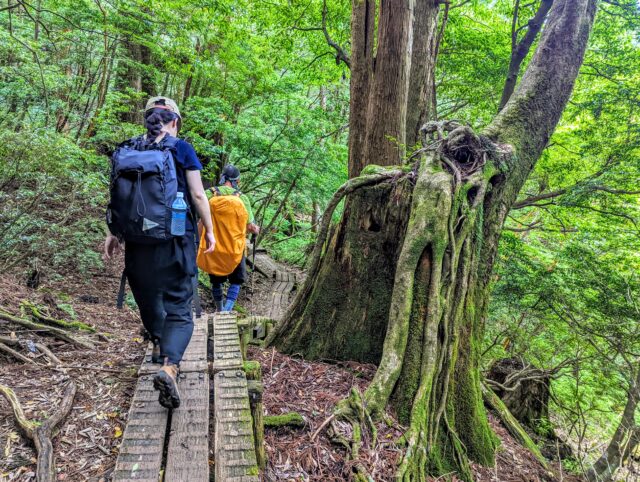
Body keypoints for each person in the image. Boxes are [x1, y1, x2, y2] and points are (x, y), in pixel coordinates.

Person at [104, 96, 215, 409]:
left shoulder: (128, 148)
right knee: (180, 305)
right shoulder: (181, 148)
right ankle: (169, 365)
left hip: (137, 245)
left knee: (148, 297)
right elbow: (196, 193)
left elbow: (117, 197)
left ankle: (156, 341)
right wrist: (210, 230)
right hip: (175, 242)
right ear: (175, 121)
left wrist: (113, 234)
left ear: (148, 119)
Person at [198, 165, 259, 312]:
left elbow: (198, 216)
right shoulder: (242, 198)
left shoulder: (209, 194)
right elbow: (250, 226)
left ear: (222, 178)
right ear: (236, 180)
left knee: (216, 281)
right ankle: (227, 310)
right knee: (236, 281)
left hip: (213, 246)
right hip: (235, 249)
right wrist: (256, 230)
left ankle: (219, 309)